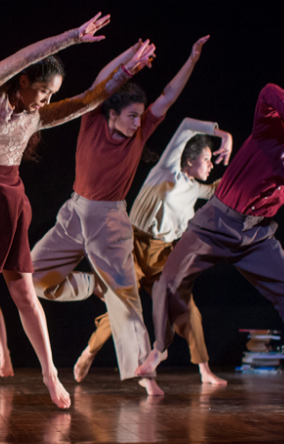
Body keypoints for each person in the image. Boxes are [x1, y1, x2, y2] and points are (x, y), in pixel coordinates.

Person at [0, 13, 156, 409]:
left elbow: (88, 100)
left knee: (26, 295)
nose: (47, 100)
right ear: (25, 81)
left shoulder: (35, 117)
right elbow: (22, 57)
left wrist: (124, 73)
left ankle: (50, 373)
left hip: (3, 199)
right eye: (44, 91)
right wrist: (72, 37)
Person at [135, 84, 284, 404]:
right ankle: (159, 350)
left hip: (255, 236)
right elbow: (269, 93)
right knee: (167, 284)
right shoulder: (272, 136)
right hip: (214, 224)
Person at [31, 36, 209, 396]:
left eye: (139, 116)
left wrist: (191, 59)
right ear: (111, 113)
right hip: (74, 212)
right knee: (33, 279)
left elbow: (169, 97)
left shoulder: (141, 131)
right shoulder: (93, 120)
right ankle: (91, 286)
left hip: (110, 221)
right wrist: (130, 55)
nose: (136, 122)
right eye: (130, 115)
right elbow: (101, 79)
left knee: (127, 298)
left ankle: (146, 376)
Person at [75, 117, 233, 386]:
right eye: (206, 159)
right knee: (124, 307)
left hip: (164, 256)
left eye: (210, 160)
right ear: (189, 159)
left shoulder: (196, 188)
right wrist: (223, 134)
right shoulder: (167, 169)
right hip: (133, 247)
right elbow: (184, 125)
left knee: (187, 308)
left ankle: (204, 370)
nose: (210, 165)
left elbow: (221, 190)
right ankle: (89, 352)